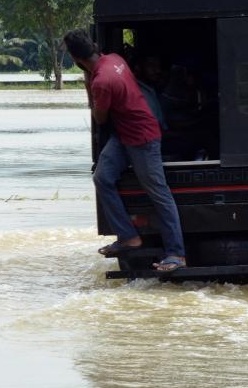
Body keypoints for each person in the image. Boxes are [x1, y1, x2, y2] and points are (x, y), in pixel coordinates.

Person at [64, 29, 186, 271]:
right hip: (125, 136)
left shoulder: (100, 81)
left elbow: (99, 118)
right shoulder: (115, 60)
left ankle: (176, 254)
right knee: (102, 177)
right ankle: (129, 237)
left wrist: (87, 84)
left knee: (159, 194)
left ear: (76, 60)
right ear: (95, 46)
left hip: (142, 138)